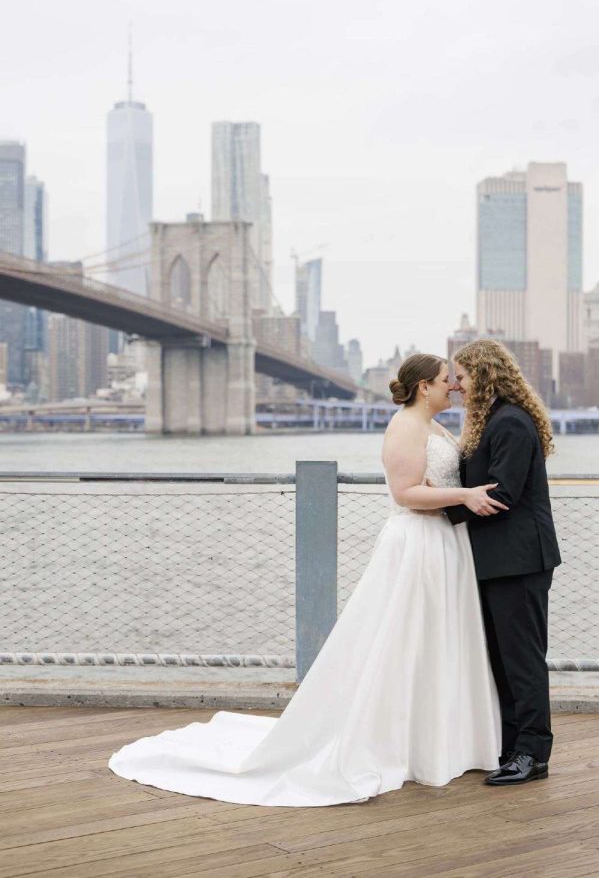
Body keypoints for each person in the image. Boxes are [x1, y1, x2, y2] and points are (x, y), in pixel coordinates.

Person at [108, 353, 503, 807]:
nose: (452, 386)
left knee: (437, 640)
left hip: (446, 543)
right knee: (403, 640)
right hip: (416, 544)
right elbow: (405, 493)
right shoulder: (404, 427)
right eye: (443, 381)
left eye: (453, 380)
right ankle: (402, 743)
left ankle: (441, 740)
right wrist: (464, 496)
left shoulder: (435, 427)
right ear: (422, 388)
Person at [445, 339, 561, 786]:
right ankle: (511, 746)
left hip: (519, 559)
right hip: (498, 559)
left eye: (465, 376)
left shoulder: (510, 422)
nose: (459, 385)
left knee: (522, 659)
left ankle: (533, 755)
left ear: (486, 375)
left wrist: (433, 507)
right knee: (501, 657)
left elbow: (502, 495)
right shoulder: (493, 420)